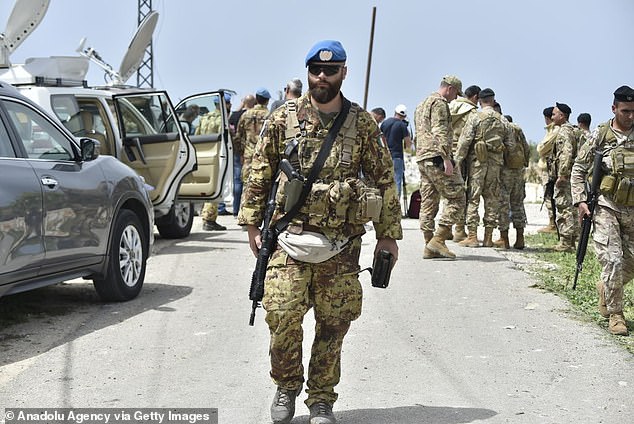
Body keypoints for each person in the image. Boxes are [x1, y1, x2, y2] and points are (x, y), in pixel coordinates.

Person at [237, 39, 402, 424]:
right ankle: (286, 385)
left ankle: (322, 399)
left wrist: (387, 234)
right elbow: (259, 170)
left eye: (331, 70)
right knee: (280, 316)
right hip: (288, 236)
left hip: (340, 244)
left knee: (334, 324)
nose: (322, 76)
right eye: (316, 70)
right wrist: (250, 223)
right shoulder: (283, 117)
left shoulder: (361, 124)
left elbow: (383, 179)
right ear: (308, 72)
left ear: (344, 72)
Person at [571, 85, 634, 336]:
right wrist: (580, 201)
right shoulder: (600, 135)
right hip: (607, 206)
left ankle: (606, 287)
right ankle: (616, 314)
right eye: (625, 111)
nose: (630, 116)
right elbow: (578, 168)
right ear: (614, 109)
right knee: (613, 259)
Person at [414, 75, 466, 259]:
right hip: (436, 156)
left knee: (428, 201)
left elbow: (418, 134)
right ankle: (439, 238)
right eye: (456, 94)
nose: (455, 98)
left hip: (422, 157)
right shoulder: (440, 104)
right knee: (458, 197)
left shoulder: (421, 105)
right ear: (449, 88)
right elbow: (440, 131)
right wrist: (446, 158)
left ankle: (428, 246)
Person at [455, 88, 513, 247]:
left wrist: (457, 161)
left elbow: (465, 141)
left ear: (480, 101)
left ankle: (472, 236)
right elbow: (511, 145)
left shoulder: (475, 117)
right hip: (495, 164)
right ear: (493, 101)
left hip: (477, 163)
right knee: (492, 199)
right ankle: (488, 238)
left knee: (473, 198)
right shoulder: (503, 120)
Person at [449, 84, 481, 242]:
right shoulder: (473, 112)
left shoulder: (450, 105)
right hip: (462, 155)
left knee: (448, 190)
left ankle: (446, 227)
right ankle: (459, 229)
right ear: (475, 97)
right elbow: (469, 137)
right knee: (462, 192)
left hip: (446, 153)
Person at [196, 93, 233, 231]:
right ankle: (209, 219)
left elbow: (197, 134)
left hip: (204, 154)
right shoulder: (222, 119)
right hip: (218, 155)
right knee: (216, 187)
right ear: (226, 104)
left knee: (208, 187)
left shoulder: (204, 118)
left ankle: (207, 217)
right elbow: (225, 139)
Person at [494, 114, 530, 249]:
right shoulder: (518, 130)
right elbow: (526, 148)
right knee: (518, 204)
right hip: (519, 171)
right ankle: (520, 238)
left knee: (503, 205)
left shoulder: (502, 129)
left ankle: (504, 239)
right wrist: (523, 164)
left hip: (504, 172)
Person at [549, 102, 578, 252]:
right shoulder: (574, 130)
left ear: (562, 116)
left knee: (563, 207)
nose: (552, 117)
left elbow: (566, 153)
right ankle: (572, 241)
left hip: (566, 177)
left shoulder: (564, 132)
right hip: (574, 175)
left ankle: (566, 243)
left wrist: (562, 174)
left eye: (554, 114)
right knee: (572, 208)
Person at [229, 94, 256, 217]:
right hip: (257, 154)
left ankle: (236, 210)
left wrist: (238, 152)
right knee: (253, 183)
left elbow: (237, 136)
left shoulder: (237, 115)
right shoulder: (262, 114)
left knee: (238, 182)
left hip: (242, 153)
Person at [237, 87, 271, 183]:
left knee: (246, 185)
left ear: (256, 99)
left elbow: (238, 136)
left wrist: (240, 153)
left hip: (248, 156)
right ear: (267, 101)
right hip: (263, 157)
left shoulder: (245, 115)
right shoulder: (271, 116)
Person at [380, 104, 412, 197]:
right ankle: (396, 204)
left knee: (384, 181)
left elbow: (380, 138)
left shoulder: (385, 123)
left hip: (384, 156)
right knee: (397, 181)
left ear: (395, 112)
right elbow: (408, 144)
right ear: (405, 116)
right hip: (397, 157)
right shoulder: (402, 125)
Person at [536, 106, 559, 234]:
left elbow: (541, 149)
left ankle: (553, 224)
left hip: (550, 170)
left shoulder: (555, 131)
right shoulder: (550, 130)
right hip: (548, 168)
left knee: (550, 196)